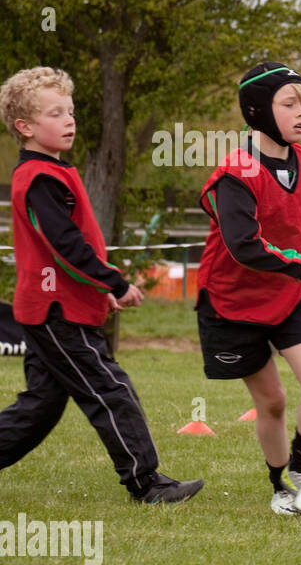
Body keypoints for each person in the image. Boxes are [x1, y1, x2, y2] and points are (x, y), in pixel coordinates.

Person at [0, 66, 203, 503]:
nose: (69, 120)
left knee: (40, 407)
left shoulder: (54, 172)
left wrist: (98, 290)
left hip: (53, 306)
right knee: (110, 390)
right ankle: (147, 484)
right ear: (26, 127)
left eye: (70, 111)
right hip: (56, 311)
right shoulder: (38, 179)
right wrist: (113, 281)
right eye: (55, 114)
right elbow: (65, 247)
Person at [195, 62, 301, 517]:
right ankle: (280, 487)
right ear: (256, 110)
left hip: (288, 294)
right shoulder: (235, 171)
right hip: (233, 302)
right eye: (289, 103)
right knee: (272, 403)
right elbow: (244, 247)